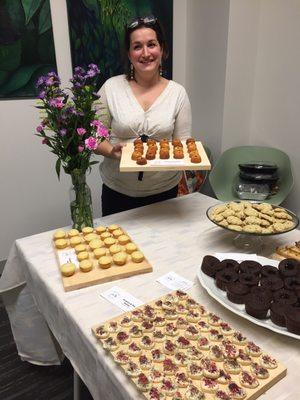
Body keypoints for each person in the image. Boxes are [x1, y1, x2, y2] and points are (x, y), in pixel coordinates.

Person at [95, 15, 192, 216]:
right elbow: (95, 140)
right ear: (129, 54)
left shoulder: (177, 93)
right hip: (117, 191)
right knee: (118, 247)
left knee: (161, 247)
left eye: (151, 44)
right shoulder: (110, 88)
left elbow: (181, 145)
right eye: (137, 46)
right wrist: (113, 151)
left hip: (165, 192)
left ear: (162, 49)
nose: (145, 53)